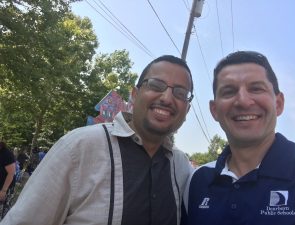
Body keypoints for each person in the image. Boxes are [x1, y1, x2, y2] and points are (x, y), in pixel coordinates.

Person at [1, 55, 194, 225]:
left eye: (180, 93)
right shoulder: (79, 148)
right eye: (156, 85)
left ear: (187, 109)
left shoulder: (182, 166)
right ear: (134, 95)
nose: (167, 98)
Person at [181, 51, 295, 225]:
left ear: (279, 103)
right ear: (214, 110)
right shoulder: (197, 181)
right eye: (229, 91)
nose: (243, 101)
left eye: (256, 89)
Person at [0, 141, 16, 220]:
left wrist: (3, 191)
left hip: (5, 188)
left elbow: (11, 173)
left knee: (3, 214)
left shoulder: (6, 154)